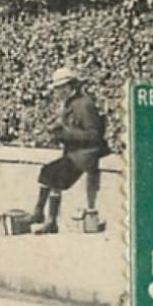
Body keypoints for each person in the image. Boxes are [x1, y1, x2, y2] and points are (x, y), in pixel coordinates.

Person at [31, 67, 109, 234]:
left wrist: (65, 133)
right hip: (74, 154)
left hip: (85, 155)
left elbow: (94, 134)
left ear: (70, 86)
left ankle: (45, 217)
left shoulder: (84, 104)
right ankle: (45, 217)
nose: (57, 92)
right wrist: (57, 130)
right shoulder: (71, 103)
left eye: (60, 88)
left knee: (50, 173)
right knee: (49, 173)